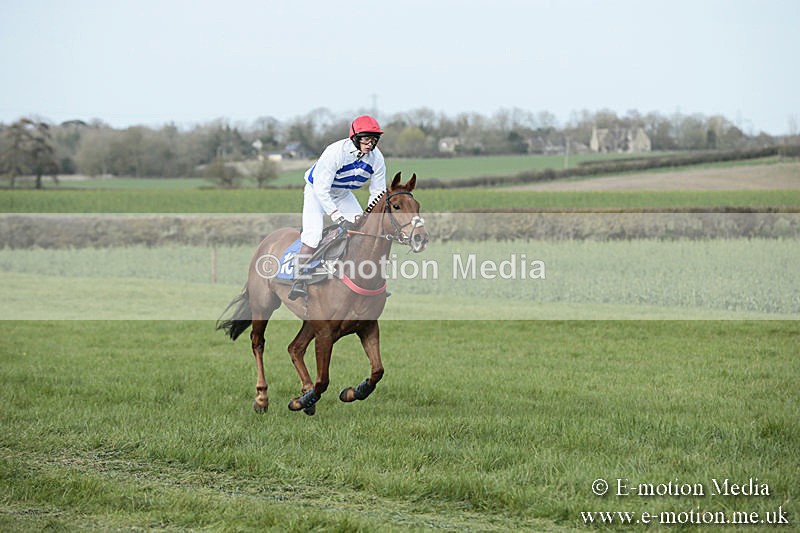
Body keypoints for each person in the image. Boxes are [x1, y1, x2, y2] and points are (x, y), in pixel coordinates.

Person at [288, 115, 387, 300]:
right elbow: (321, 189)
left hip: (342, 193)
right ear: (356, 138)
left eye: (374, 140)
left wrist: (369, 217)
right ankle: (298, 279)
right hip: (317, 191)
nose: (370, 144)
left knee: (363, 231)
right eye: (366, 138)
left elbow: (378, 192)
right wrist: (338, 217)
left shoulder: (377, 158)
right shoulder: (335, 152)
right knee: (313, 235)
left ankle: (365, 280)